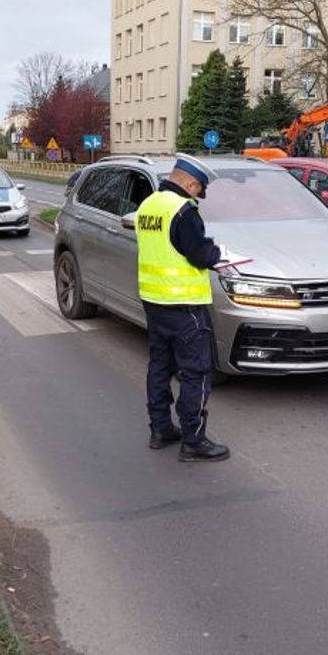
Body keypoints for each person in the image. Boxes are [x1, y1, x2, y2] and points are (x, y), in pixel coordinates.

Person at [134, 153, 230, 462]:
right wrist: (217, 253)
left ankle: (160, 429)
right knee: (196, 371)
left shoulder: (148, 205)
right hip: (184, 305)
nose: (197, 195)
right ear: (190, 184)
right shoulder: (183, 210)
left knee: (160, 366)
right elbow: (199, 255)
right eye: (198, 189)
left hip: (154, 301)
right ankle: (194, 440)